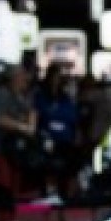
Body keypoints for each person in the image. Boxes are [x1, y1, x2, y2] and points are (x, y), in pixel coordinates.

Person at [0, 64, 37, 221]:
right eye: (21, 75)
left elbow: (31, 112)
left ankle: (11, 219)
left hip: (13, 148)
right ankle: (3, 220)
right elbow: (1, 120)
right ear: (13, 78)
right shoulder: (2, 94)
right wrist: (23, 127)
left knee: (14, 183)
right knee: (4, 182)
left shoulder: (19, 96)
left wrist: (30, 125)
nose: (25, 79)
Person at [33, 62, 80, 199]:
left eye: (59, 77)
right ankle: (48, 192)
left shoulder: (65, 98)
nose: (56, 80)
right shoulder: (40, 97)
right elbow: (40, 116)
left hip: (65, 140)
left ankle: (64, 194)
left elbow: (72, 117)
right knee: (47, 164)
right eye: (54, 77)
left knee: (67, 164)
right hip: (47, 139)